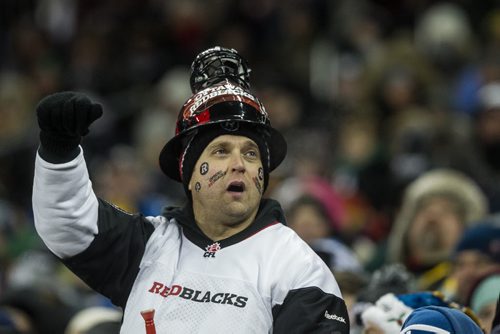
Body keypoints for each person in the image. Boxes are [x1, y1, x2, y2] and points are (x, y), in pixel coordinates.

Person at [32, 46, 349, 333]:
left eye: (251, 154)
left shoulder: (299, 268)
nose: (240, 164)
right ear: (189, 171)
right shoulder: (150, 245)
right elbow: (68, 225)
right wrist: (59, 151)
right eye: (221, 151)